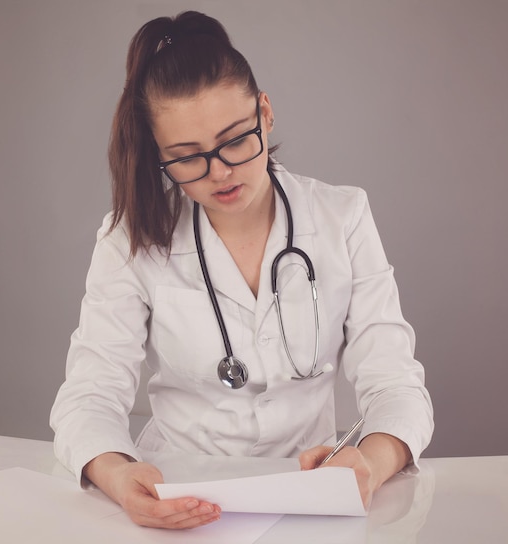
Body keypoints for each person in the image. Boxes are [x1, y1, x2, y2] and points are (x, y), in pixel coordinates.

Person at [50, 10, 434, 530]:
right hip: (176, 492)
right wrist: (119, 476)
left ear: (265, 113)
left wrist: (371, 460)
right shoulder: (130, 238)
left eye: (234, 139)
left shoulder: (342, 217)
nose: (220, 172)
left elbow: (396, 385)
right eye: (187, 157)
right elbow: (89, 396)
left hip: (310, 490)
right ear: (159, 156)